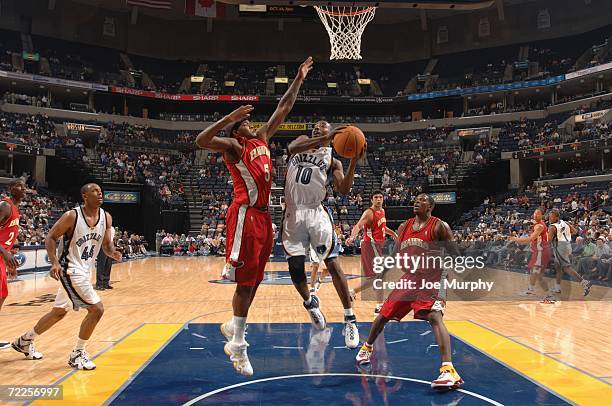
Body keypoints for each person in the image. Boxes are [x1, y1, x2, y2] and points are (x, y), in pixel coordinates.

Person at [195, 56, 313, 376]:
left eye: (247, 120)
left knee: (256, 280)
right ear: (236, 129)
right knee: (244, 284)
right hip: (245, 216)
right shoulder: (234, 146)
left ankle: (233, 326)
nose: (249, 122)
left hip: (264, 218)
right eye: (243, 121)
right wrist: (227, 118)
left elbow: (284, 108)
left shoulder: (260, 138)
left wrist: (298, 78)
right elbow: (201, 140)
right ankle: (238, 345)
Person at [355, 194, 463, 390]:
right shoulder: (405, 226)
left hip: (432, 277)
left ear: (430, 206)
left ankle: (449, 371)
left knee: (434, 316)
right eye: (415, 199)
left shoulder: (439, 226)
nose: (416, 201)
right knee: (383, 314)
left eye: (422, 200)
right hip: (410, 277)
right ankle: (366, 348)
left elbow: (455, 253)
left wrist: (451, 272)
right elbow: (395, 253)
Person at [12, 183, 122, 370]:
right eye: (94, 190)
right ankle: (77, 354)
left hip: (85, 270)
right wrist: (54, 262)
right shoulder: (72, 216)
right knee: (97, 309)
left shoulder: (106, 217)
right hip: (70, 269)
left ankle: (25, 340)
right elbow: (51, 237)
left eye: (100, 191)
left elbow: (106, 245)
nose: (99, 193)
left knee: (59, 312)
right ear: (85, 196)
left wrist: (112, 252)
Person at [282, 121, 362, 349]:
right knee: (295, 267)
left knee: (333, 264)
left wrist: (353, 161)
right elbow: (291, 149)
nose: (317, 129)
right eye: (315, 127)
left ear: (332, 136)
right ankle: (310, 304)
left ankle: (350, 319)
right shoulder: (300, 142)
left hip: (316, 212)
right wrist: (324, 139)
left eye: (322, 129)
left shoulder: (333, 161)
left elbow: (344, 189)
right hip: (293, 212)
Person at [347, 190, 398, 314]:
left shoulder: (382, 211)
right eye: (376, 197)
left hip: (377, 245)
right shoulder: (369, 213)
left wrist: (393, 234)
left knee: (377, 276)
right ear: (372, 200)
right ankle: (376, 304)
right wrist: (352, 237)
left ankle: (358, 294)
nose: (379, 199)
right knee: (379, 275)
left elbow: (382, 227)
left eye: (380, 197)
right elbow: (358, 226)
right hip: (371, 245)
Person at [0, 179, 26, 350]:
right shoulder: (5, 206)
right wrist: (4, 251)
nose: (22, 189)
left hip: (2, 257)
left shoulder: (16, 210)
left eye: (24, 186)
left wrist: (8, 254)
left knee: (2, 295)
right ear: (10, 189)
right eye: (18, 186)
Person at [547, 210, 591, 296]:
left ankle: (585, 283)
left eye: (551, 217)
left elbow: (549, 240)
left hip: (559, 247)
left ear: (556, 217)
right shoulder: (565, 223)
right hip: (567, 245)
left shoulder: (552, 227)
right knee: (558, 267)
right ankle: (557, 287)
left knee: (566, 268)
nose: (549, 218)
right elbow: (575, 232)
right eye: (549, 216)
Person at [509, 208, 551, 297]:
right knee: (535, 272)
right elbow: (530, 240)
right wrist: (519, 241)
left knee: (536, 272)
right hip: (538, 251)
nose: (535, 215)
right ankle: (534, 290)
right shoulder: (536, 225)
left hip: (541, 251)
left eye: (538, 214)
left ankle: (548, 294)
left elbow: (531, 238)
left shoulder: (539, 226)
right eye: (534, 213)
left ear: (542, 216)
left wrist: (515, 239)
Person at [96, 226, 116, 290]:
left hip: (110, 247)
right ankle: (99, 284)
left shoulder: (112, 228)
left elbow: (112, 239)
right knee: (101, 265)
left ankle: (105, 283)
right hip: (103, 246)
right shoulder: (102, 228)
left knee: (108, 265)